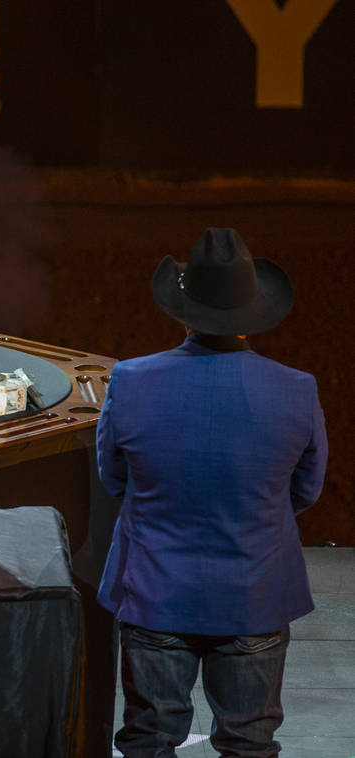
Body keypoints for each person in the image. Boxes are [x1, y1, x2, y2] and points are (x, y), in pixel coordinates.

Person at [96, 227, 328, 757]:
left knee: (149, 740)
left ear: (183, 311)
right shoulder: (297, 389)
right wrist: (255, 512)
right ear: (254, 312)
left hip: (155, 590)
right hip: (255, 593)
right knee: (249, 742)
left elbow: (114, 479)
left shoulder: (129, 380)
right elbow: (307, 488)